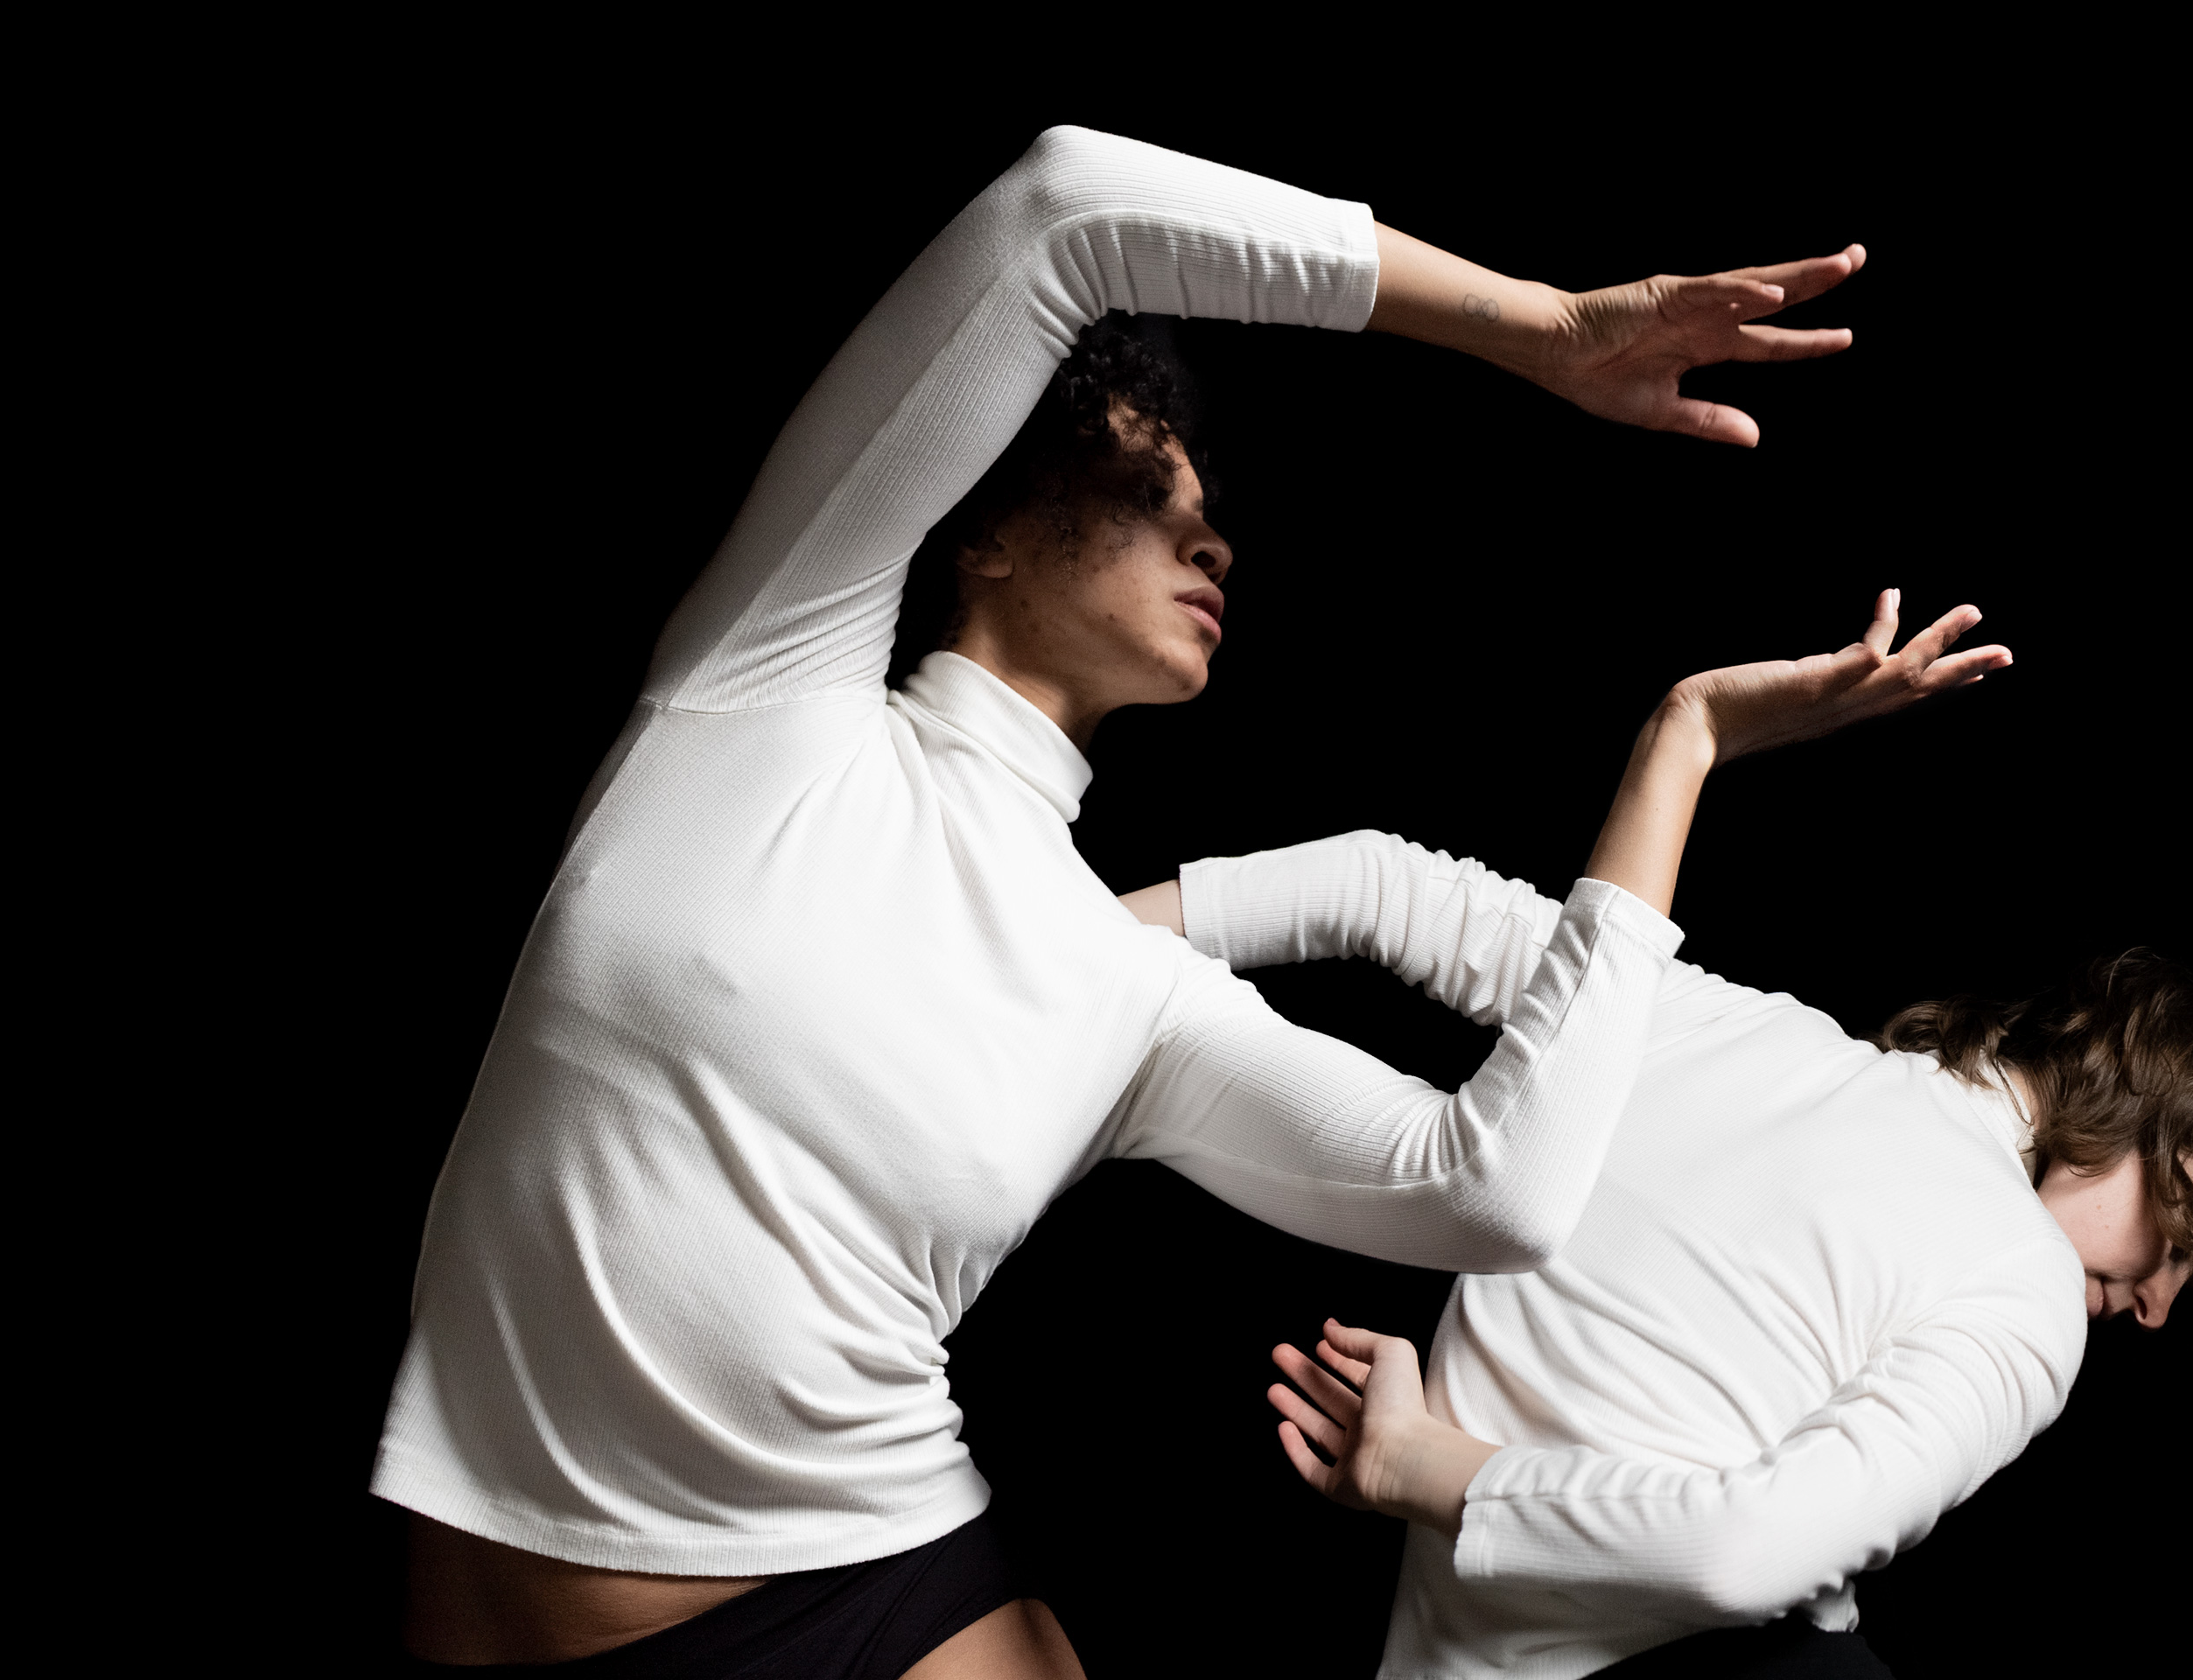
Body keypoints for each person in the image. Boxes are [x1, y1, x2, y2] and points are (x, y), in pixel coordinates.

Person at [378, 124, 1874, 1675]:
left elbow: (1493, 1191)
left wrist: (1677, 749)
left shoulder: (1127, 989)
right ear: (983, 526)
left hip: (870, 1592)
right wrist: (1543, 326)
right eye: (1146, 487)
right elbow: (1067, 206)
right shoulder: (764, 687)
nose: (1210, 533)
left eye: (1207, 505)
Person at [1125, 596, 2193, 1679]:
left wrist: (1075, 937)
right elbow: (1742, 1555)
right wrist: (1414, 1466)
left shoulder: (1708, 1024)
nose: (2156, 1308)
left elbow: (1379, 885)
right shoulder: (2028, 1281)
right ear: (2184, 1154)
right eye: (2188, 1255)